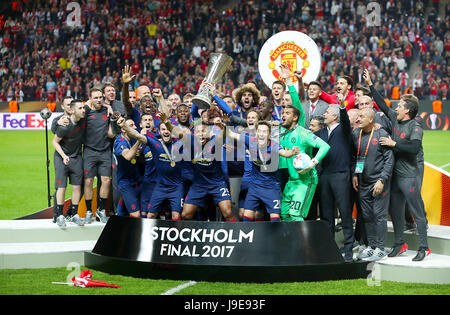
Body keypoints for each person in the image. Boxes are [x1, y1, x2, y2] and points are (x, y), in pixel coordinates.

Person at [364, 68, 430, 261]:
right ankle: (400, 244)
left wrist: (394, 144)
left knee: (416, 212)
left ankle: (424, 248)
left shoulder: (415, 126)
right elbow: (383, 105)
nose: (396, 108)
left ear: (407, 110)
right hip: (395, 175)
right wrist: (370, 85)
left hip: (409, 175)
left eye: (400, 106)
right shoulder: (394, 118)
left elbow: (415, 147)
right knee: (396, 212)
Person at [227, 120, 300, 222]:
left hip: (271, 187)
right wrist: (222, 126)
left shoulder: (273, 145)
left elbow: (285, 153)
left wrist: (292, 152)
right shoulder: (250, 141)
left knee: (275, 219)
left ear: (269, 134)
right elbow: (231, 133)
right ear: (256, 132)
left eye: (264, 132)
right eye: (259, 131)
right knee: (246, 216)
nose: (261, 134)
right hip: (255, 187)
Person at [117, 116, 184, 220]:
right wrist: (124, 126)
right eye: (163, 129)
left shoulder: (180, 143)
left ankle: (175, 236)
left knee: (176, 215)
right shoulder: (154, 142)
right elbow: (137, 135)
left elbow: (184, 135)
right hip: (160, 186)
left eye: (168, 129)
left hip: (176, 186)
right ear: (159, 131)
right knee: (151, 215)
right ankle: (147, 235)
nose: (166, 132)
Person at [351, 108, 394, 261]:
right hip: (363, 182)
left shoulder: (381, 134)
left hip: (378, 182)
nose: (358, 119)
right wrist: (356, 174)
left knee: (379, 216)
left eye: (361, 116)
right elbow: (359, 157)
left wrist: (382, 180)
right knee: (367, 216)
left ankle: (381, 249)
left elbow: (389, 160)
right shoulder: (357, 134)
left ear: (371, 119)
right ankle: (372, 246)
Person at [315, 100, 355, 262]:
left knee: (345, 214)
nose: (324, 114)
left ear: (335, 116)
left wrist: (343, 107)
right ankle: (328, 249)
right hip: (325, 176)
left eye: (327, 112)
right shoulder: (321, 133)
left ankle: (349, 250)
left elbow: (345, 120)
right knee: (326, 216)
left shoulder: (344, 129)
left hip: (341, 175)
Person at [280, 105, 330, 221]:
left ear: (295, 117)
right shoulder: (283, 133)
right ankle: (291, 239)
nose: (283, 115)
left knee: (295, 214)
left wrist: (312, 163)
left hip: (306, 180)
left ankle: (303, 240)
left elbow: (324, 146)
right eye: (283, 112)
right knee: (284, 215)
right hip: (291, 181)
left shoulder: (303, 133)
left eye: (287, 113)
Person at [82, 87, 115, 223]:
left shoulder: (106, 112)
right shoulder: (86, 112)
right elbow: (81, 107)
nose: (98, 100)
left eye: (100, 97)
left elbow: (111, 133)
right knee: (88, 181)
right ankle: (89, 211)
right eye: (95, 97)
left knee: (106, 181)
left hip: (105, 151)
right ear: (90, 99)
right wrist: (107, 105)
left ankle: (101, 210)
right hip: (89, 151)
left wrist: (108, 108)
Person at [51, 99, 86, 228]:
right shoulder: (65, 124)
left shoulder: (83, 120)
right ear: (72, 110)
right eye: (80, 108)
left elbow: (91, 104)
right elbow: (54, 142)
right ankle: (60, 215)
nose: (83, 110)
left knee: (77, 187)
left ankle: (74, 214)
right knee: (62, 187)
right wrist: (64, 156)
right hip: (62, 158)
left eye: (83, 108)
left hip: (76, 158)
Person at [112, 118, 142, 218]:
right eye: (132, 125)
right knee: (136, 214)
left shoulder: (131, 137)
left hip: (137, 179)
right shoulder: (119, 142)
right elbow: (128, 156)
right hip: (126, 182)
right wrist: (139, 140)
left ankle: (119, 216)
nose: (135, 127)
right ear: (124, 130)